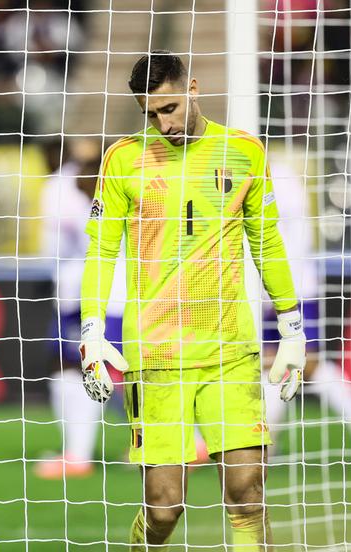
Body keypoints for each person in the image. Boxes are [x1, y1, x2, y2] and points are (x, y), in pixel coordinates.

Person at [78, 51, 305, 550]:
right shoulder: (123, 159)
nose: (164, 124)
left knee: (247, 495)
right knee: (164, 508)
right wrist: (92, 331)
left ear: (193, 88)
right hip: (156, 355)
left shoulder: (243, 151)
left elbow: (266, 241)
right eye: (151, 114)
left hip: (229, 349)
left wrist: (291, 326)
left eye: (170, 108)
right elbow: (101, 251)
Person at [260, 157, 351, 460]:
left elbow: (299, 235)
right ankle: (267, 439)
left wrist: (282, 287)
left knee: (307, 363)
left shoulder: (280, 176)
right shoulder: (235, 172)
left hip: (294, 290)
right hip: (260, 291)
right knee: (268, 364)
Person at [35, 139, 128, 479]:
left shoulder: (116, 207)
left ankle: (78, 455)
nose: (76, 177)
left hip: (110, 300)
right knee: (71, 366)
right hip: (83, 298)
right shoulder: (88, 204)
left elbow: (59, 251)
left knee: (98, 369)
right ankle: (76, 453)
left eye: (85, 173)